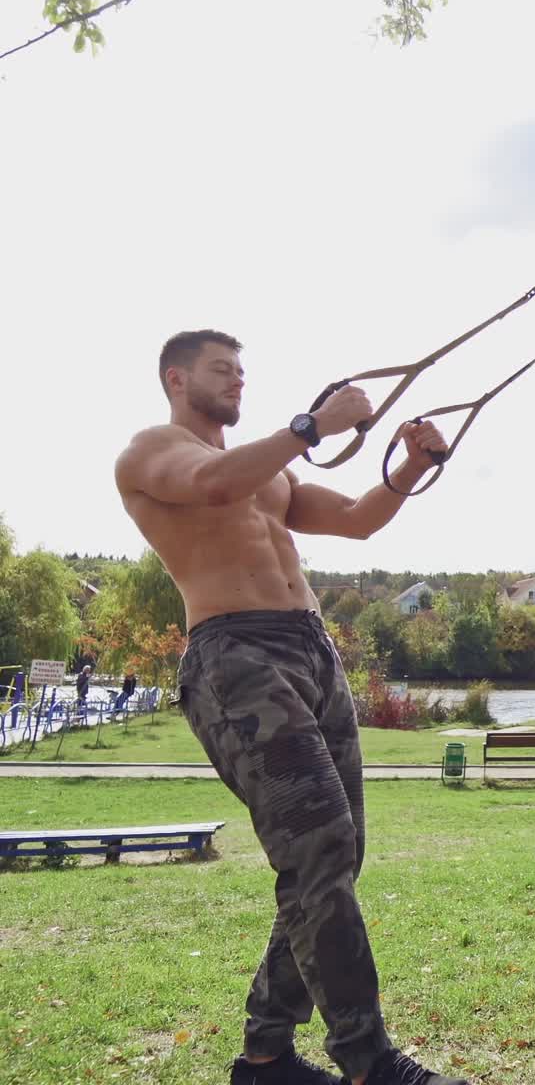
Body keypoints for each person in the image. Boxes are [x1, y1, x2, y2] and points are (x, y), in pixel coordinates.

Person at [114, 330, 466, 1085]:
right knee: (319, 849)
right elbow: (213, 486)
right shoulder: (152, 451)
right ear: (178, 378)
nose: (238, 382)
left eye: (243, 372)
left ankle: (266, 1054)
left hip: (311, 649)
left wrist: (412, 463)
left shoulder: (268, 474)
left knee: (336, 855)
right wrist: (313, 426)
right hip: (235, 656)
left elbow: (359, 518)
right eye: (221, 371)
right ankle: (367, 1060)